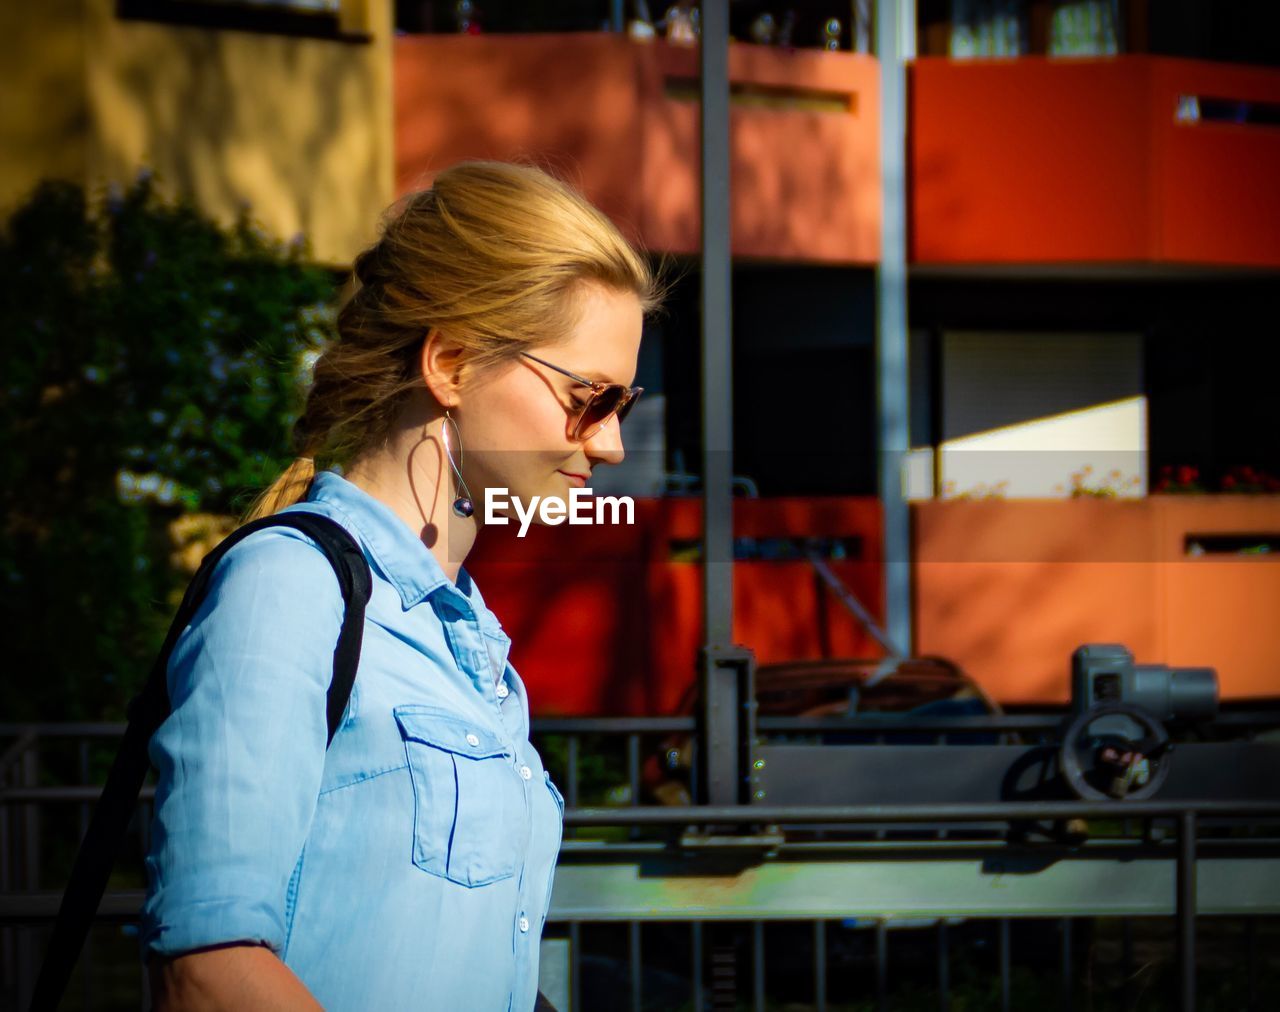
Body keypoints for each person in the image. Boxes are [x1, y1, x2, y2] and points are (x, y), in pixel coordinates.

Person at [140, 160, 660, 1010]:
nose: (609, 447)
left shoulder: (476, 647)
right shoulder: (287, 589)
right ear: (451, 363)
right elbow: (206, 971)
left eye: (622, 406)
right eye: (588, 397)